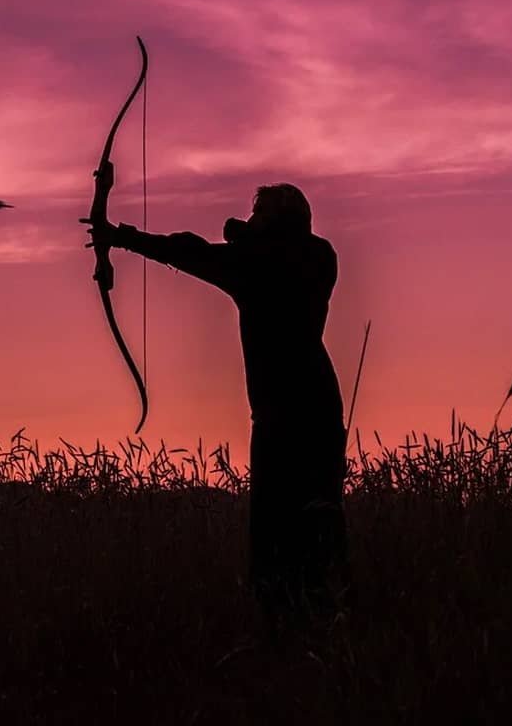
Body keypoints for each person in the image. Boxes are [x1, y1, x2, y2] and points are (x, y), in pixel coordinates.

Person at [85, 170, 349, 612]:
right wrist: (122, 236)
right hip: (317, 413)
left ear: (279, 222)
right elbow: (197, 251)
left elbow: (198, 252)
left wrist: (119, 237)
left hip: (284, 422)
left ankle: (288, 624)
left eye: (258, 213)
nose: (250, 218)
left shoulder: (268, 263)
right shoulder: (317, 257)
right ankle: (320, 620)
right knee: (316, 523)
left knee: (280, 532)